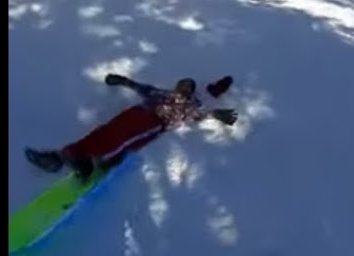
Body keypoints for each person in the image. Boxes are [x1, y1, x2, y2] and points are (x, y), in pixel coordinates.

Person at [26, 74, 237, 180]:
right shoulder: (160, 92)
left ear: (191, 91)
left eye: (188, 86)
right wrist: (121, 80)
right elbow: (138, 87)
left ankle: (96, 160)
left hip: (154, 122)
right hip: (137, 112)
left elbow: (200, 113)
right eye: (181, 84)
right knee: (105, 131)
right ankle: (62, 157)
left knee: (121, 138)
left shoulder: (191, 105)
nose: (183, 87)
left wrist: (217, 113)